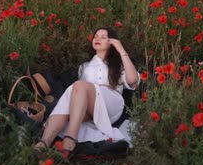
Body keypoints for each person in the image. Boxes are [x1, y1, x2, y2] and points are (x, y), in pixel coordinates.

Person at [33, 26, 140, 156]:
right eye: (96, 36)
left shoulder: (118, 65)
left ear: (111, 42)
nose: (97, 39)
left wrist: (120, 49)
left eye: (103, 37)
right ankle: (44, 142)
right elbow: (78, 95)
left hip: (110, 105)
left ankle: (70, 139)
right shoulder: (84, 66)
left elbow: (133, 80)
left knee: (79, 86)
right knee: (72, 96)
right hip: (89, 109)